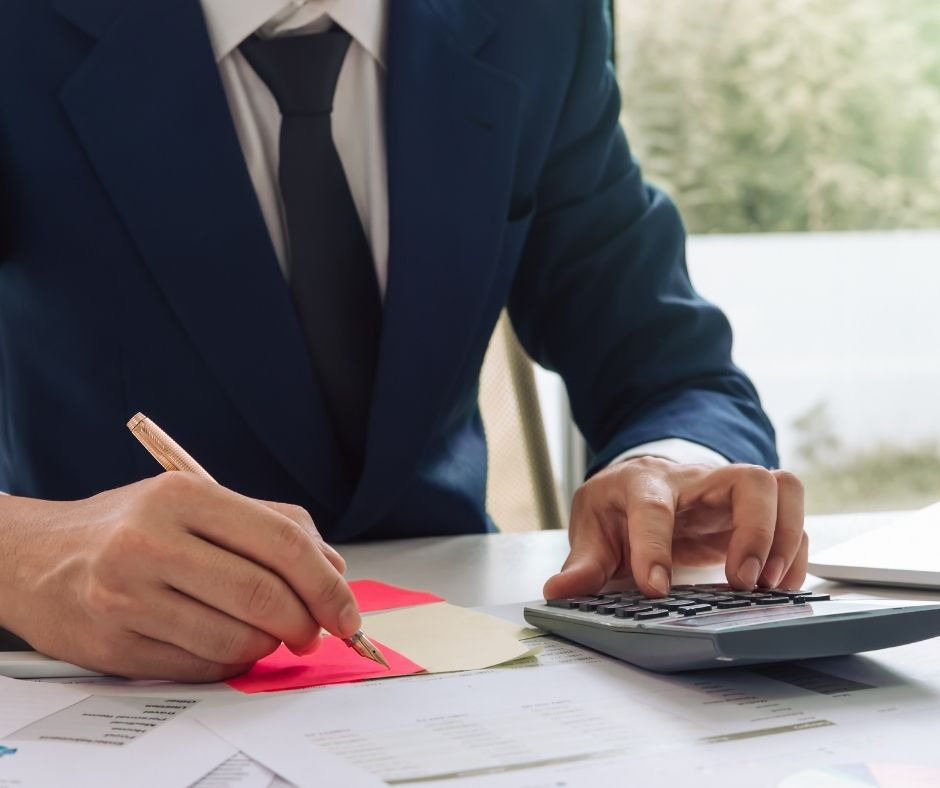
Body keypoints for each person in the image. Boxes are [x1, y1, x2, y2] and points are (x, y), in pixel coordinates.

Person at [0, 0, 806, 681]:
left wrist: (668, 463)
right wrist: (22, 555)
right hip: (98, 684)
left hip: (457, 671)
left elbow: (668, 366)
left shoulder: (538, 22)